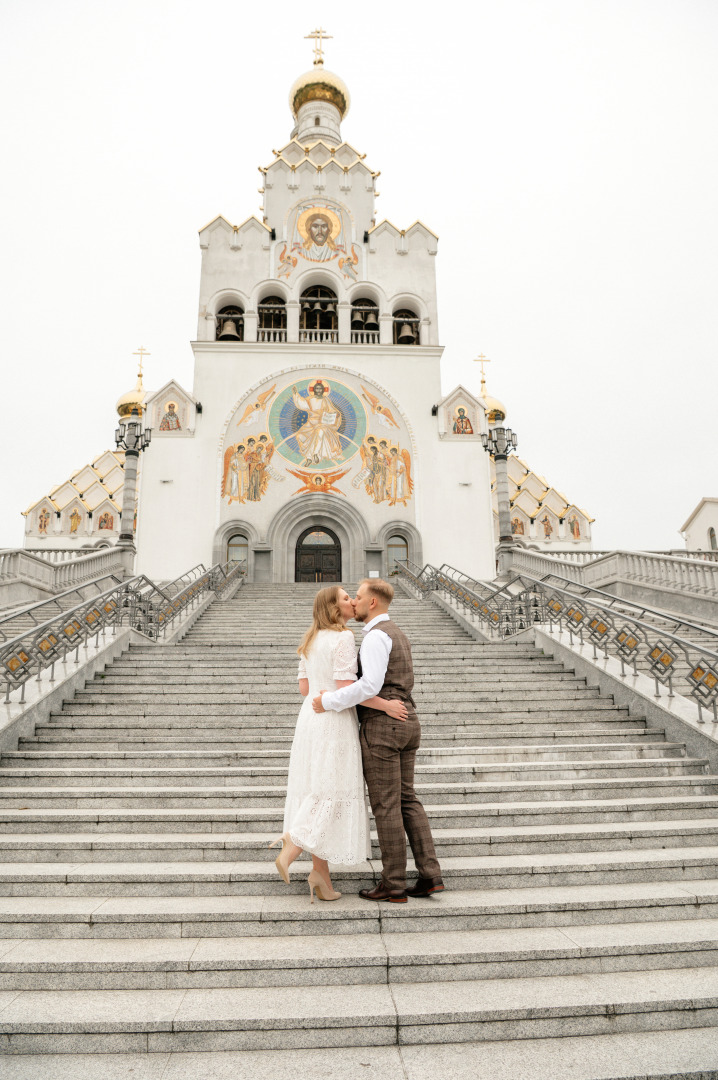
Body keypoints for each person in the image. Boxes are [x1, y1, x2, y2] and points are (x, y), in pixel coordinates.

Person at [270, 586, 409, 903]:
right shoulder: (344, 637)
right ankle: (292, 844)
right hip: (334, 718)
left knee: (317, 787)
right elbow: (349, 688)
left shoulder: (309, 639)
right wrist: (385, 705)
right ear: (334, 608)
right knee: (333, 790)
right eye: (346, 598)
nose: (353, 601)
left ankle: (322, 878)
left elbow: (305, 689)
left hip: (309, 719)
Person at [314, 579, 444, 903]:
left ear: (372, 602)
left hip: (384, 726)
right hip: (407, 720)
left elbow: (369, 685)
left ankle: (393, 883)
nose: (353, 602)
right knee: (407, 801)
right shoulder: (396, 632)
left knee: (387, 806)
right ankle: (430, 875)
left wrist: (329, 700)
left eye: (357, 597)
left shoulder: (374, 637)